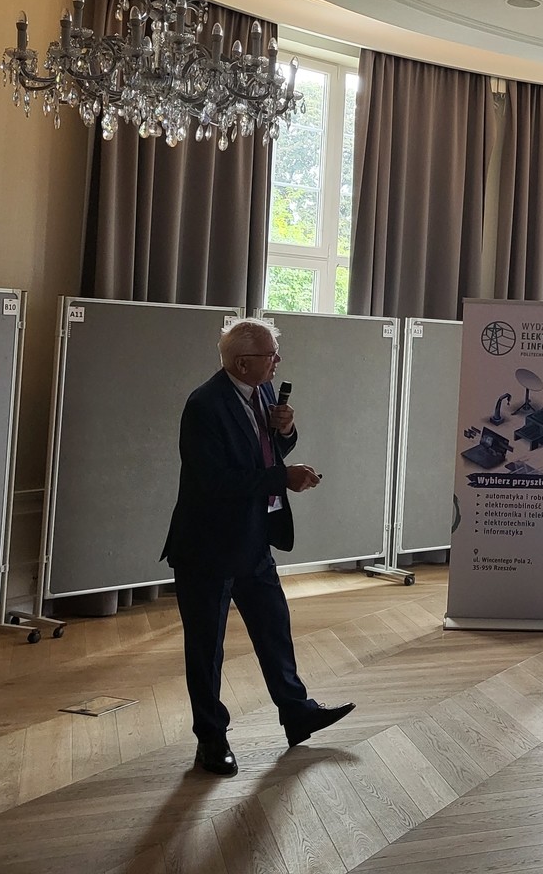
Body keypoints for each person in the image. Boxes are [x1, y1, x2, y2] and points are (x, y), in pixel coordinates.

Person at [161, 317, 354, 776]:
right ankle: (211, 740)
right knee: (206, 649)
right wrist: (281, 477)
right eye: (271, 355)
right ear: (242, 362)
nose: (278, 361)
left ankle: (297, 713)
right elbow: (215, 482)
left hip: (253, 536)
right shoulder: (204, 405)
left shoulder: (263, 392)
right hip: (207, 545)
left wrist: (285, 431)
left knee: (273, 628)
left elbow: (267, 453)